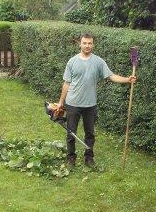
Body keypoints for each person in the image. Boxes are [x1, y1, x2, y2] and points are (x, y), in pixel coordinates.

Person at [56, 33, 137, 169]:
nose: (87, 46)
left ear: (93, 45)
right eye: (85, 43)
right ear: (80, 44)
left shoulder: (99, 62)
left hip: (90, 104)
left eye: (90, 43)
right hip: (73, 103)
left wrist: (127, 80)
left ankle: (89, 158)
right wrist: (60, 102)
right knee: (71, 133)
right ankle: (70, 158)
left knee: (90, 133)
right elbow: (66, 83)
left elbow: (111, 76)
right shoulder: (72, 61)